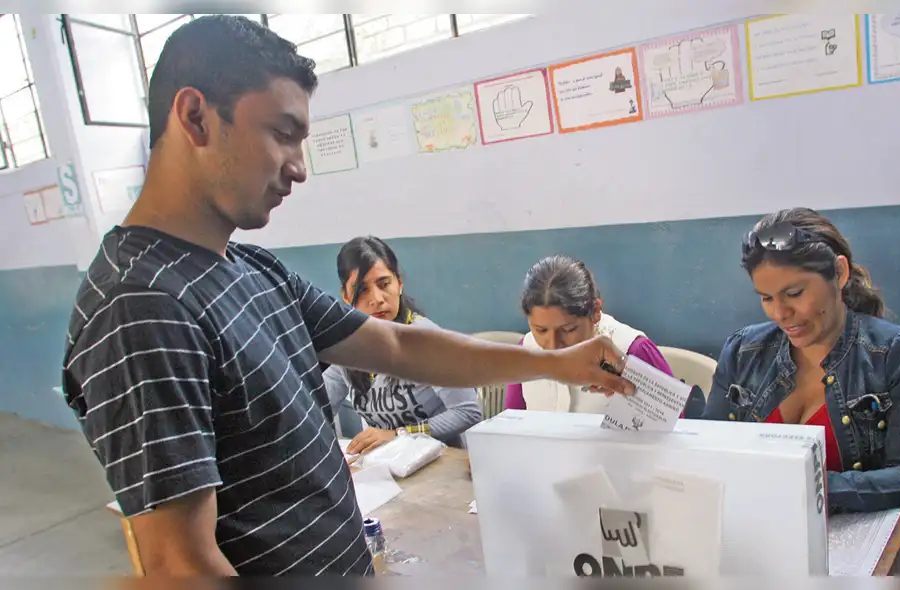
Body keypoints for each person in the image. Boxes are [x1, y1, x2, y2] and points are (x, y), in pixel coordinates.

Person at [60, 16, 633, 578]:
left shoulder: (252, 268)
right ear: (195, 117)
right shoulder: (139, 307)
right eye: (282, 134)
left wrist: (552, 362)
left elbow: (398, 346)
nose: (299, 168)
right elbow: (181, 568)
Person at [698, 208, 900, 514]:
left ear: (839, 273)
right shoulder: (743, 350)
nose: (780, 314)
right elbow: (707, 451)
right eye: (766, 298)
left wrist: (809, 488)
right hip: (757, 531)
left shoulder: (895, 352)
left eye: (794, 293)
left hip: (856, 537)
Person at [324, 236, 483, 452]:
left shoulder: (426, 340)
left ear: (399, 283)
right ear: (345, 295)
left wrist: (398, 435)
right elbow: (319, 407)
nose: (377, 299)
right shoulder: (346, 346)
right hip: (387, 468)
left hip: (440, 465)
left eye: (384, 284)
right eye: (362, 290)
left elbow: (468, 412)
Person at [505, 255, 673, 414]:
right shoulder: (525, 350)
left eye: (568, 329)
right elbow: (512, 425)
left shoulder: (633, 351)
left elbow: (675, 428)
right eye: (541, 330)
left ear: (595, 312)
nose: (553, 345)